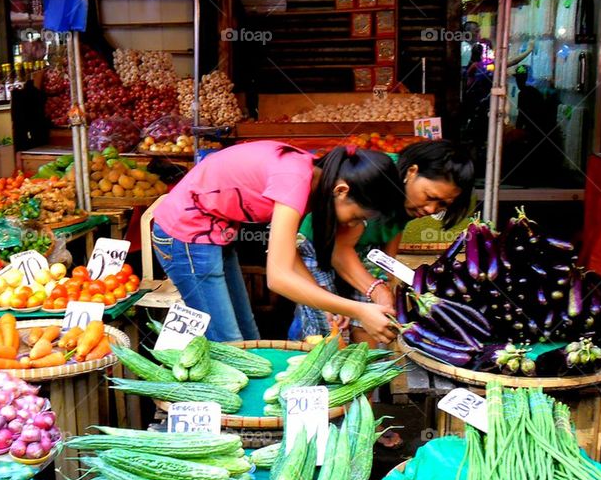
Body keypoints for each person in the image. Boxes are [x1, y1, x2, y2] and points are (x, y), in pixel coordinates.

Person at [151, 142, 401, 343]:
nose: (351, 226)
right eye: (356, 217)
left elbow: (287, 253)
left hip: (216, 234)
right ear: (342, 190)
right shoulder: (295, 179)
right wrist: (358, 310)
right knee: (231, 347)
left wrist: (324, 300)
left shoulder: (314, 179)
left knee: (250, 338)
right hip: (184, 234)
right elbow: (278, 277)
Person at [291, 139, 475, 345]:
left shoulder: (411, 197)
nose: (431, 210)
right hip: (319, 246)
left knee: (373, 321)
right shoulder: (379, 181)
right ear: (412, 172)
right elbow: (340, 251)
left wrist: (388, 276)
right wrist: (377, 289)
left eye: (442, 205)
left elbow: (394, 228)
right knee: (328, 329)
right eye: (430, 196)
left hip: (362, 248)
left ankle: (364, 364)